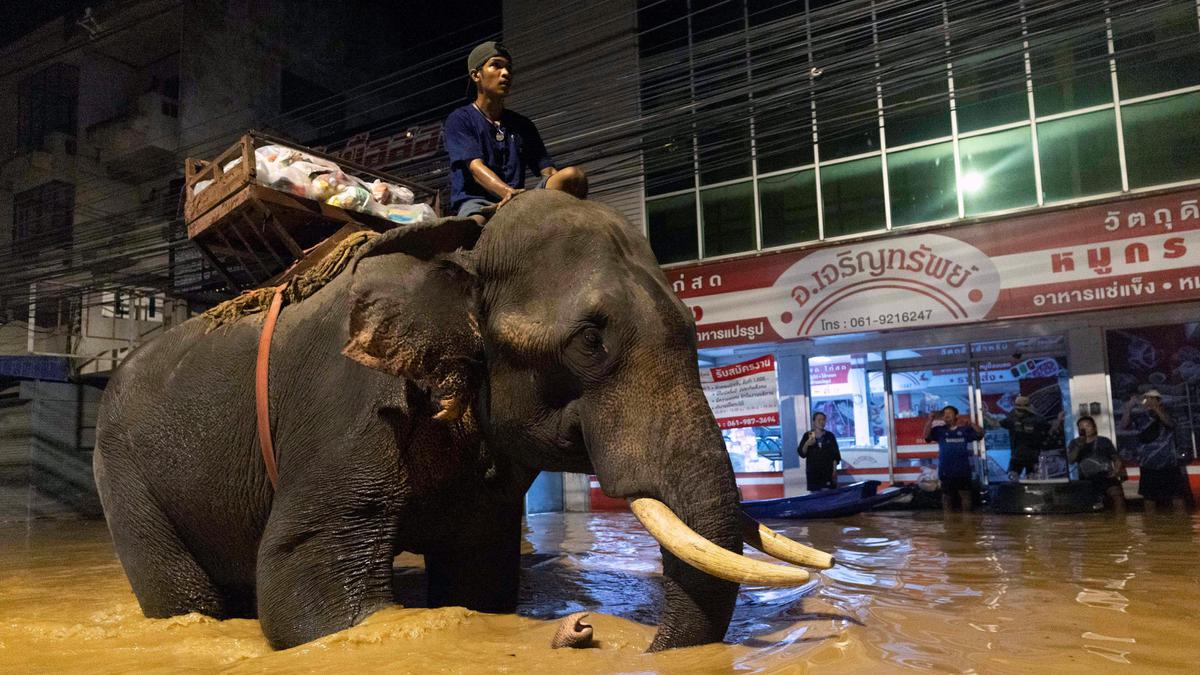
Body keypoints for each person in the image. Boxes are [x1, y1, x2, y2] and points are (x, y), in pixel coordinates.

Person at [443, 41, 588, 223]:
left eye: (509, 68)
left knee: (573, 176)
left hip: (520, 199)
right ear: (476, 75)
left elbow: (547, 170)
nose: (506, 73)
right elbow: (475, 169)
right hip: (478, 202)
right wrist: (507, 192)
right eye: (496, 65)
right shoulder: (460, 119)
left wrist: (556, 191)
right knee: (474, 227)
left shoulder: (522, 124)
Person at [1120, 389, 1186, 512]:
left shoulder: (1168, 411)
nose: (1147, 401)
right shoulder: (1140, 416)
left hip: (1168, 462)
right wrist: (1129, 407)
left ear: (1159, 400)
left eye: (1151, 398)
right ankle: (1150, 526)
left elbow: (1170, 423)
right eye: (1146, 398)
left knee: (1177, 495)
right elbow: (1124, 425)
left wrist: (1156, 408)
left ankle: (1182, 524)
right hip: (1147, 463)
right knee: (1149, 497)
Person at [924, 405, 984, 511]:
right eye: (944, 414)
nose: (946, 416)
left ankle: (968, 523)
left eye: (949, 413)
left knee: (965, 496)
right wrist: (930, 419)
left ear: (956, 416)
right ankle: (948, 524)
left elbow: (980, 433)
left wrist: (971, 424)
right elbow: (926, 436)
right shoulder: (939, 430)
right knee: (947, 497)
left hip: (963, 469)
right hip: (946, 470)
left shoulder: (964, 430)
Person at [1067, 415, 1126, 512]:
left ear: (1094, 427)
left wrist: (1116, 470)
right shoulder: (1074, 443)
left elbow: (1116, 458)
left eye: (1088, 426)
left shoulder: (1104, 441)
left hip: (1105, 475)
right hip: (1086, 478)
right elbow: (1071, 460)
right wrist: (1079, 446)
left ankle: (1121, 523)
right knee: (1087, 505)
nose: (1085, 429)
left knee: (1117, 495)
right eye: (1082, 427)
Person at [997, 395, 1050, 481]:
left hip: (1033, 455)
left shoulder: (1037, 419)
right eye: (1018, 406)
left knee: (1032, 478)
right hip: (1017, 455)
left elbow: (1049, 428)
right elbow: (997, 424)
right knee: (1013, 477)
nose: (1020, 409)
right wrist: (985, 415)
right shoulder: (1012, 418)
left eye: (1022, 406)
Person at [798, 411, 840, 491]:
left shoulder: (829, 436)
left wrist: (834, 471)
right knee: (815, 498)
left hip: (828, 473)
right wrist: (807, 444)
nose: (821, 422)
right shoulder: (807, 435)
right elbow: (802, 453)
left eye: (823, 420)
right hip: (813, 474)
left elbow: (836, 455)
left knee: (828, 497)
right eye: (819, 420)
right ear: (814, 422)